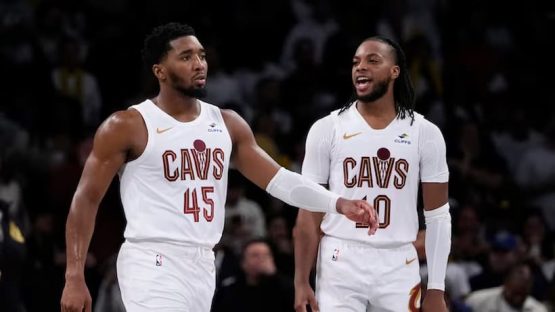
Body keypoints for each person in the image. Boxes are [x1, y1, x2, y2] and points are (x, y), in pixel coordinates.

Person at [60, 22, 378, 312]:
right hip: (151, 259)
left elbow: (281, 181)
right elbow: (86, 199)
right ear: (160, 70)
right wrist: (74, 276)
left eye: (201, 55)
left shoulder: (226, 124)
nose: (199, 64)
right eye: (185, 57)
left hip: (203, 263)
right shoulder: (128, 124)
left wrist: (338, 203)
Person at [293, 36, 451, 312]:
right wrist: (301, 281)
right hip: (340, 256)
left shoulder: (425, 133)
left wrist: (436, 288)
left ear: (395, 71)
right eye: (356, 62)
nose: (360, 67)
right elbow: (308, 212)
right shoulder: (326, 128)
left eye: (372, 61)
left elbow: (438, 216)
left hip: (399, 258)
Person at [212, 238, 294, 312]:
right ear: (243, 263)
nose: (261, 259)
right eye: (255, 255)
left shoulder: (284, 288)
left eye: (266, 255)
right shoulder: (229, 290)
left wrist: (274, 275)